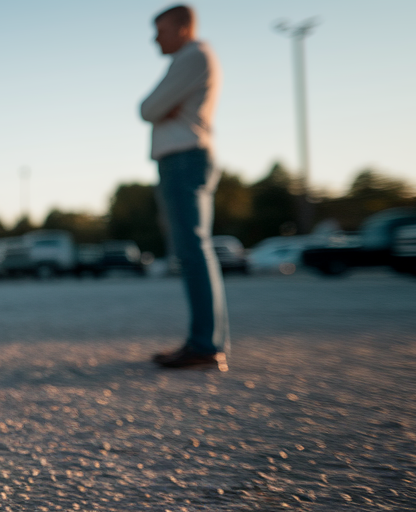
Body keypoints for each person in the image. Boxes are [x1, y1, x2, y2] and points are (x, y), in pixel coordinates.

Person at [140, 5, 228, 370]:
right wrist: (163, 109)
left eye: (160, 30)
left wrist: (163, 109)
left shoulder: (192, 57)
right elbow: (157, 109)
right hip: (186, 158)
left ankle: (205, 345)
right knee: (194, 250)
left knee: (193, 251)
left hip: (183, 159)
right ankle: (204, 342)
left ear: (182, 28)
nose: (155, 38)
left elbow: (147, 108)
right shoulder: (192, 58)